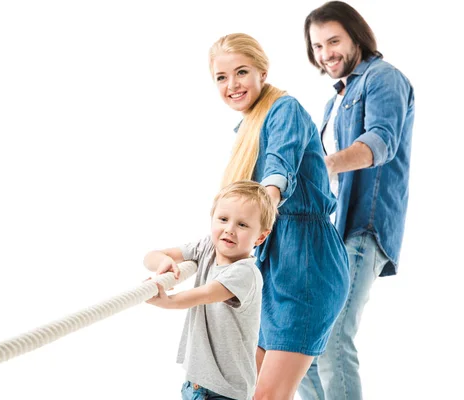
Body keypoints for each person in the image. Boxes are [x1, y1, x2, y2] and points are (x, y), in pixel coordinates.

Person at [208, 33, 349, 400]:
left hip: (307, 265)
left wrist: (265, 201)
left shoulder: (283, 110)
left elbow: (278, 170)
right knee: (244, 388)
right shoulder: (248, 128)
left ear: (262, 71)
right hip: (272, 267)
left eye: (241, 72)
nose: (232, 85)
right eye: (221, 77)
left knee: (268, 396)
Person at [298, 2, 415, 400]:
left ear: (356, 37)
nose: (325, 53)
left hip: (362, 226)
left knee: (331, 340)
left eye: (334, 41)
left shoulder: (383, 79)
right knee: (303, 351)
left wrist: (323, 165)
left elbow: (379, 143)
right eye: (317, 46)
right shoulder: (334, 102)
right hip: (331, 235)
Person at [144, 180, 276, 400]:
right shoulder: (207, 247)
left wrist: (168, 301)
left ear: (260, 237)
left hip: (225, 392)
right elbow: (150, 256)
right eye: (223, 219)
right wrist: (163, 261)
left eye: (242, 225)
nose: (229, 230)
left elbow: (205, 294)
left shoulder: (246, 273)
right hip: (195, 383)